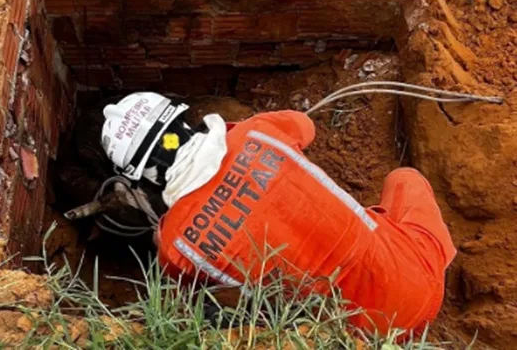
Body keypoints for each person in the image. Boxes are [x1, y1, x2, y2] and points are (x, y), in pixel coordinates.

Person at [100, 92, 457, 334]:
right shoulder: (257, 133)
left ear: (141, 175)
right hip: (417, 283)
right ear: (183, 119)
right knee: (404, 178)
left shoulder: (176, 245)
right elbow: (306, 126)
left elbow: (187, 279)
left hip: (357, 334)